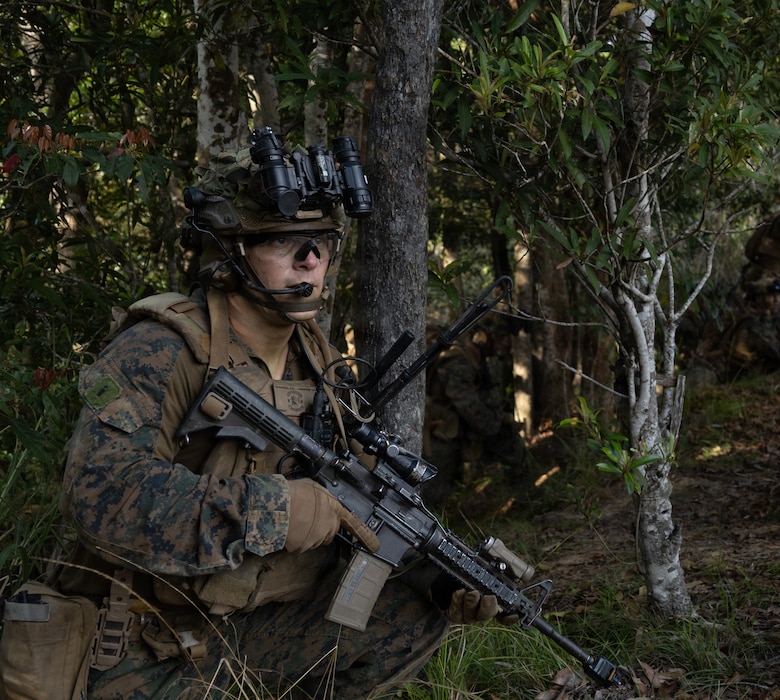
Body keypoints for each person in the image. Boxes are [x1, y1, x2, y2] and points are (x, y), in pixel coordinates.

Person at [0, 128, 503, 699]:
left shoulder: (321, 363)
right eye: (285, 241)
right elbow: (97, 494)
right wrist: (273, 509)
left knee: (411, 612)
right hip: (140, 642)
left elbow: (362, 508)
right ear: (233, 251)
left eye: (321, 242)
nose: (311, 260)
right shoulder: (162, 349)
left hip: (245, 628)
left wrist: (444, 580)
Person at [422, 319, 525, 506]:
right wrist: (496, 423)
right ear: (482, 339)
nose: (503, 347)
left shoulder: (474, 359)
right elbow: (471, 410)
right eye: (501, 341)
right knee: (432, 497)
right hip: (439, 437)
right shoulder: (458, 362)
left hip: (456, 430)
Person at [720, 271, 780, 379]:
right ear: (758, 299)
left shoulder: (768, 317)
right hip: (740, 377)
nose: (777, 300)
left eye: (778, 295)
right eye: (771, 296)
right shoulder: (751, 325)